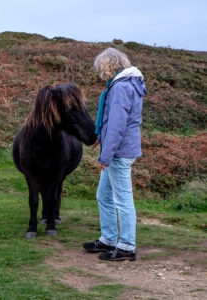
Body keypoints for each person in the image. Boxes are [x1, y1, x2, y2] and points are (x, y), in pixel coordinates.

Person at [83, 47, 146, 261]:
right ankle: (109, 239)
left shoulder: (120, 88)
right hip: (119, 148)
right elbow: (115, 121)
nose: (100, 72)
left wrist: (105, 156)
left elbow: (118, 125)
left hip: (118, 152)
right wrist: (101, 137)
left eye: (100, 67)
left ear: (107, 66)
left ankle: (126, 246)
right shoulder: (126, 84)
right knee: (104, 195)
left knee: (122, 199)